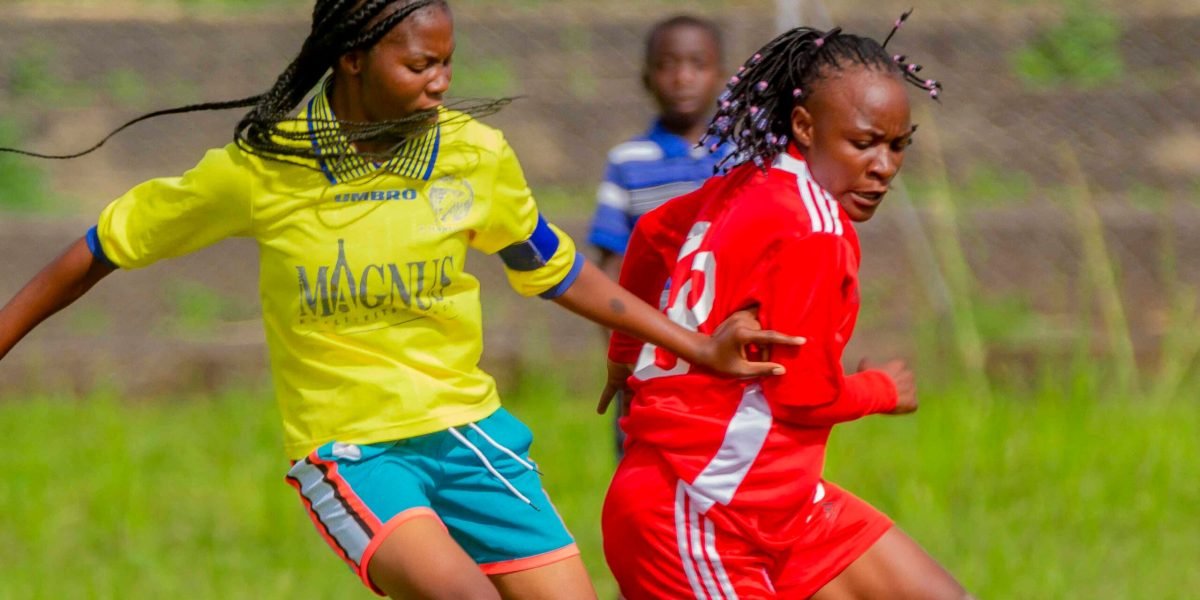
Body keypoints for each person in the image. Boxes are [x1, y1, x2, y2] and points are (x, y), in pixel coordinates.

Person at [0, 2, 802, 598]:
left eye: (447, 64)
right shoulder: (264, 168)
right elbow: (103, 247)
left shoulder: (472, 155)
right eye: (420, 64)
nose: (441, 83)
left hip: (471, 435)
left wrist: (694, 345)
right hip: (352, 449)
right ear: (352, 58)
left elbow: (554, 268)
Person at [599, 15, 971, 600]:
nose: (883, 166)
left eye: (897, 145)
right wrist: (881, 389)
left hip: (777, 499)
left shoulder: (748, 182)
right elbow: (803, 395)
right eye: (863, 142)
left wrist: (626, 353)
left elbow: (649, 234)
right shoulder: (816, 229)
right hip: (697, 509)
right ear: (804, 125)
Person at [588, 15, 730, 459]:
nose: (682, 77)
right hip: (650, 353)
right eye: (668, 65)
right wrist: (622, 352)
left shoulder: (740, 160)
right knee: (645, 467)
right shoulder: (629, 161)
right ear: (647, 78)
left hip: (724, 347)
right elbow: (609, 266)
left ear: (721, 76)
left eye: (697, 64)